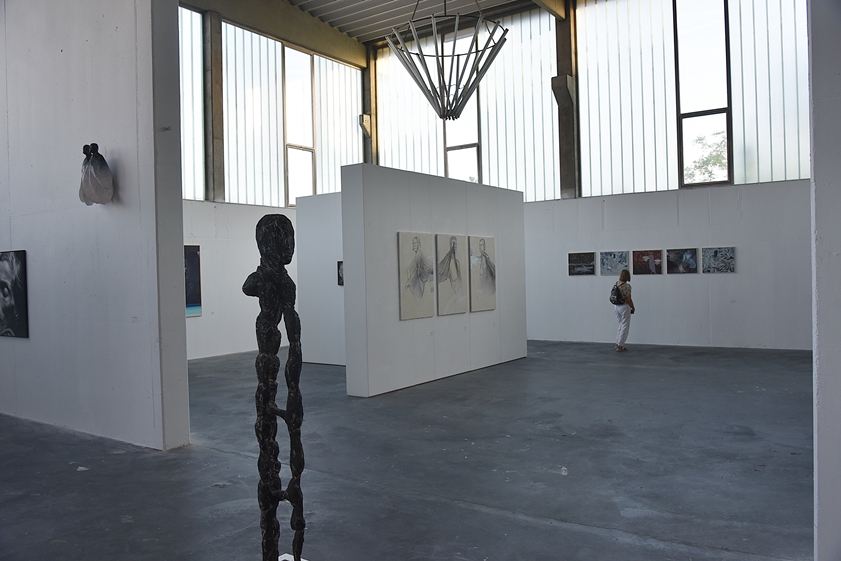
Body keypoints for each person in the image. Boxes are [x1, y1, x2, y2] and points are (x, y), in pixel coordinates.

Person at [614, 269, 635, 352]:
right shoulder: (627, 286)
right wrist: (633, 307)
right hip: (624, 306)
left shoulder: (616, 284)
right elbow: (629, 299)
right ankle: (620, 345)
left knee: (620, 324)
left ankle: (617, 342)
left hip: (617, 306)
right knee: (625, 325)